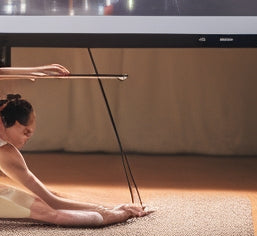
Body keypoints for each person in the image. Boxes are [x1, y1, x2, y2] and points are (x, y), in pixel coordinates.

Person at [0, 93, 149, 226]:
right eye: (26, 133)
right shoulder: (6, 150)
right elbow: (53, 204)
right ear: (12, 123)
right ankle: (105, 216)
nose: (26, 140)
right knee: (45, 212)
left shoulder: (7, 151)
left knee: (38, 206)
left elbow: (50, 198)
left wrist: (110, 207)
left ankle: (108, 214)